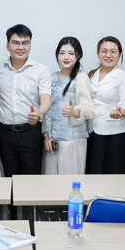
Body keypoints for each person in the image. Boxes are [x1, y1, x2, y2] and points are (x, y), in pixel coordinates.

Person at [0, 24, 51, 176]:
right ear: (7, 45)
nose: (21, 47)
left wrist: (39, 113)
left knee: (31, 179)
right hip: (4, 133)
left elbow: (46, 98)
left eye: (25, 43)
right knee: (9, 178)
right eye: (15, 43)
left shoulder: (40, 70)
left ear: (30, 45)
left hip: (30, 132)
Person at [42, 37, 94, 174]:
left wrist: (75, 112)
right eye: (62, 53)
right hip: (53, 140)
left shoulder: (81, 77)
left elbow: (89, 109)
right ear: (57, 55)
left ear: (78, 56)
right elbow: (46, 110)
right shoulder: (51, 77)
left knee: (70, 180)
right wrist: (47, 136)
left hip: (73, 139)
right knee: (51, 180)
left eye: (71, 53)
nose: (66, 57)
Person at [86, 36, 125, 174]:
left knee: (114, 178)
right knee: (94, 175)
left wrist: (121, 112)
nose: (108, 55)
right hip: (92, 132)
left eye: (113, 51)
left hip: (115, 135)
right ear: (98, 53)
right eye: (104, 51)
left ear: (119, 54)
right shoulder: (91, 75)